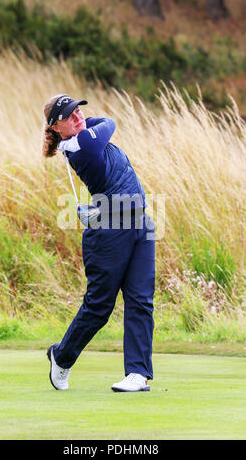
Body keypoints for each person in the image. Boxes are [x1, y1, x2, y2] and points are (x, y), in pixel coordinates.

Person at [41, 94, 155, 392]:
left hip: (140, 222)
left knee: (141, 300)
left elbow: (99, 125)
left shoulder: (82, 137)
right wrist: (86, 125)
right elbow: (109, 123)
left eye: (78, 110)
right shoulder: (80, 146)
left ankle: (137, 374)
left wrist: (79, 122)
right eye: (69, 115)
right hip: (109, 229)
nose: (78, 116)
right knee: (100, 306)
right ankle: (62, 356)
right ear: (55, 127)